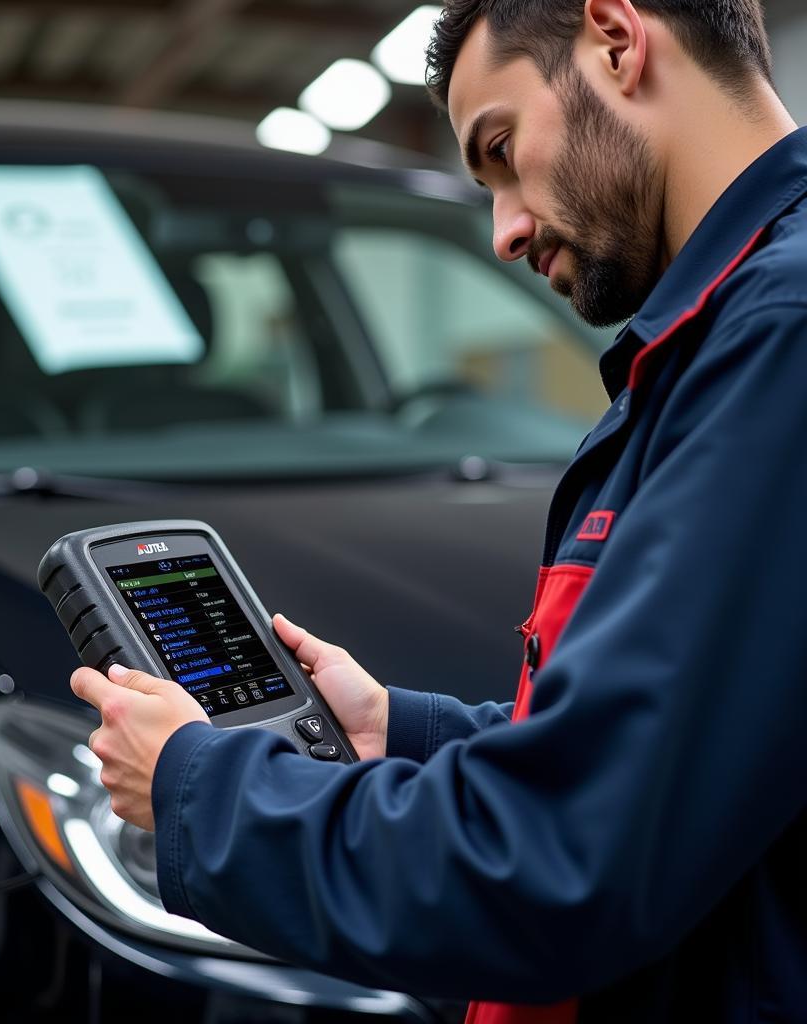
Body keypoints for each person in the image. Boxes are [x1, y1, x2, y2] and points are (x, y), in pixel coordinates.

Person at [70, 1, 807, 1020]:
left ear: (615, 37)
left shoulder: (778, 340)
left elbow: (562, 863)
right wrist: (401, 734)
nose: (504, 229)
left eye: (501, 150)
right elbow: (706, 749)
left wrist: (201, 788)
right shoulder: (728, 336)